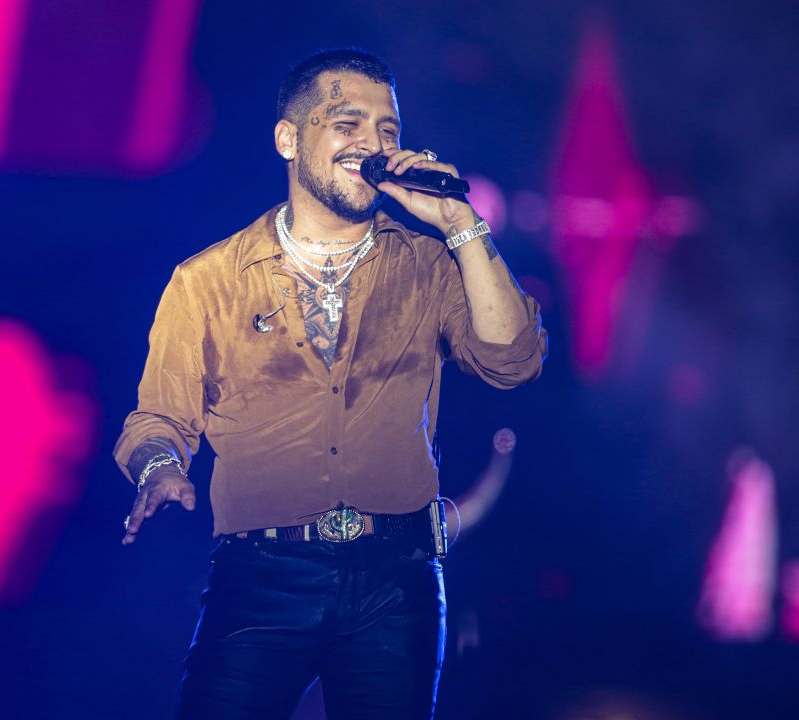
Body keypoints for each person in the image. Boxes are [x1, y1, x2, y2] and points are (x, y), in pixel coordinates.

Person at [114, 48, 547, 719]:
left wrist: (462, 227)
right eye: (348, 124)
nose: (372, 143)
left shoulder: (429, 266)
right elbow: (157, 421)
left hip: (396, 581)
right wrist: (160, 469)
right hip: (260, 580)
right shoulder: (207, 280)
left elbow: (512, 361)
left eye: (387, 131)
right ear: (289, 138)